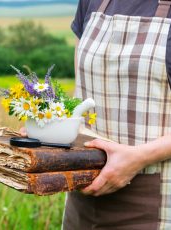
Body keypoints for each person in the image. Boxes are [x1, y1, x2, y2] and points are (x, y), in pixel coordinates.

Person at [61, 0, 171, 229]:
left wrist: (139, 156)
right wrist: (51, 129)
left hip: (156, 200)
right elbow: (81, 94)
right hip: (83, 199)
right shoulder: (92, 2)